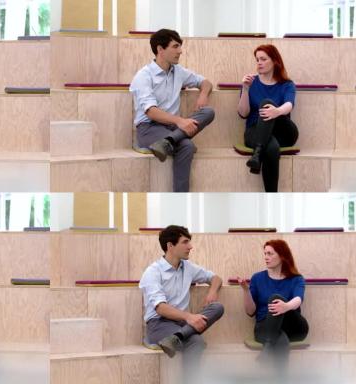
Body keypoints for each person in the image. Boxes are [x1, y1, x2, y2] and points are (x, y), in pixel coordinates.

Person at [129, 29, 215, 192]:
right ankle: (181, 195)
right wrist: (181, 122)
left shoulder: (179, 71)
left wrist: (203, 95)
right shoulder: (144, 76)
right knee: (187, 146)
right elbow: (151, 112)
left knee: (209, 112)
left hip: (172, 128)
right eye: (175, 47)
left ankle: (168, 142)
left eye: (180, 46)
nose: (180, 51)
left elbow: (206, 82)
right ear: (160, 49)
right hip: (148, 128)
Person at [139, 225, 224, 382]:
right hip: (159, 323)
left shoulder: (188, 267)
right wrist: (189, 317)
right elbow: (160, 308)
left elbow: (216, 278)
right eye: (185, 242)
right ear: (170, 246)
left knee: (218, 307)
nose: (190, 247)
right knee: (197, 342)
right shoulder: (153, 272)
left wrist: (212, 291)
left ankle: (176, 337)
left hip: (181, 324)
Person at [237, 239, 308, 370]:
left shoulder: (296, 279)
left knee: (275, 298)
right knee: (281, 340)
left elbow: (298, 299)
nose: (266, 257)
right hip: (265, 327)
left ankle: (268, 344)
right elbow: (250, 312)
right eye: (265, 254)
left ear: (282, 256)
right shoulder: (257, 278)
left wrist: (286, 306)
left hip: (294, 327)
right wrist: (246, 291)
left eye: (270, 254)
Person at [237, 44, 299, 192]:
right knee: (271, 148)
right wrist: (245, 89)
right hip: (255, 131)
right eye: (257, 59)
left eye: (263, 59)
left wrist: (276, 111)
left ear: (275, 61)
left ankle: (257, 153)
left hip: (283, 132)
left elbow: (289, 104)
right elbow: (243, 114)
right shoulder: (251, 83)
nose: (259, 62)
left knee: (266, 103)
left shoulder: (287, 84)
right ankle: (271, 196)